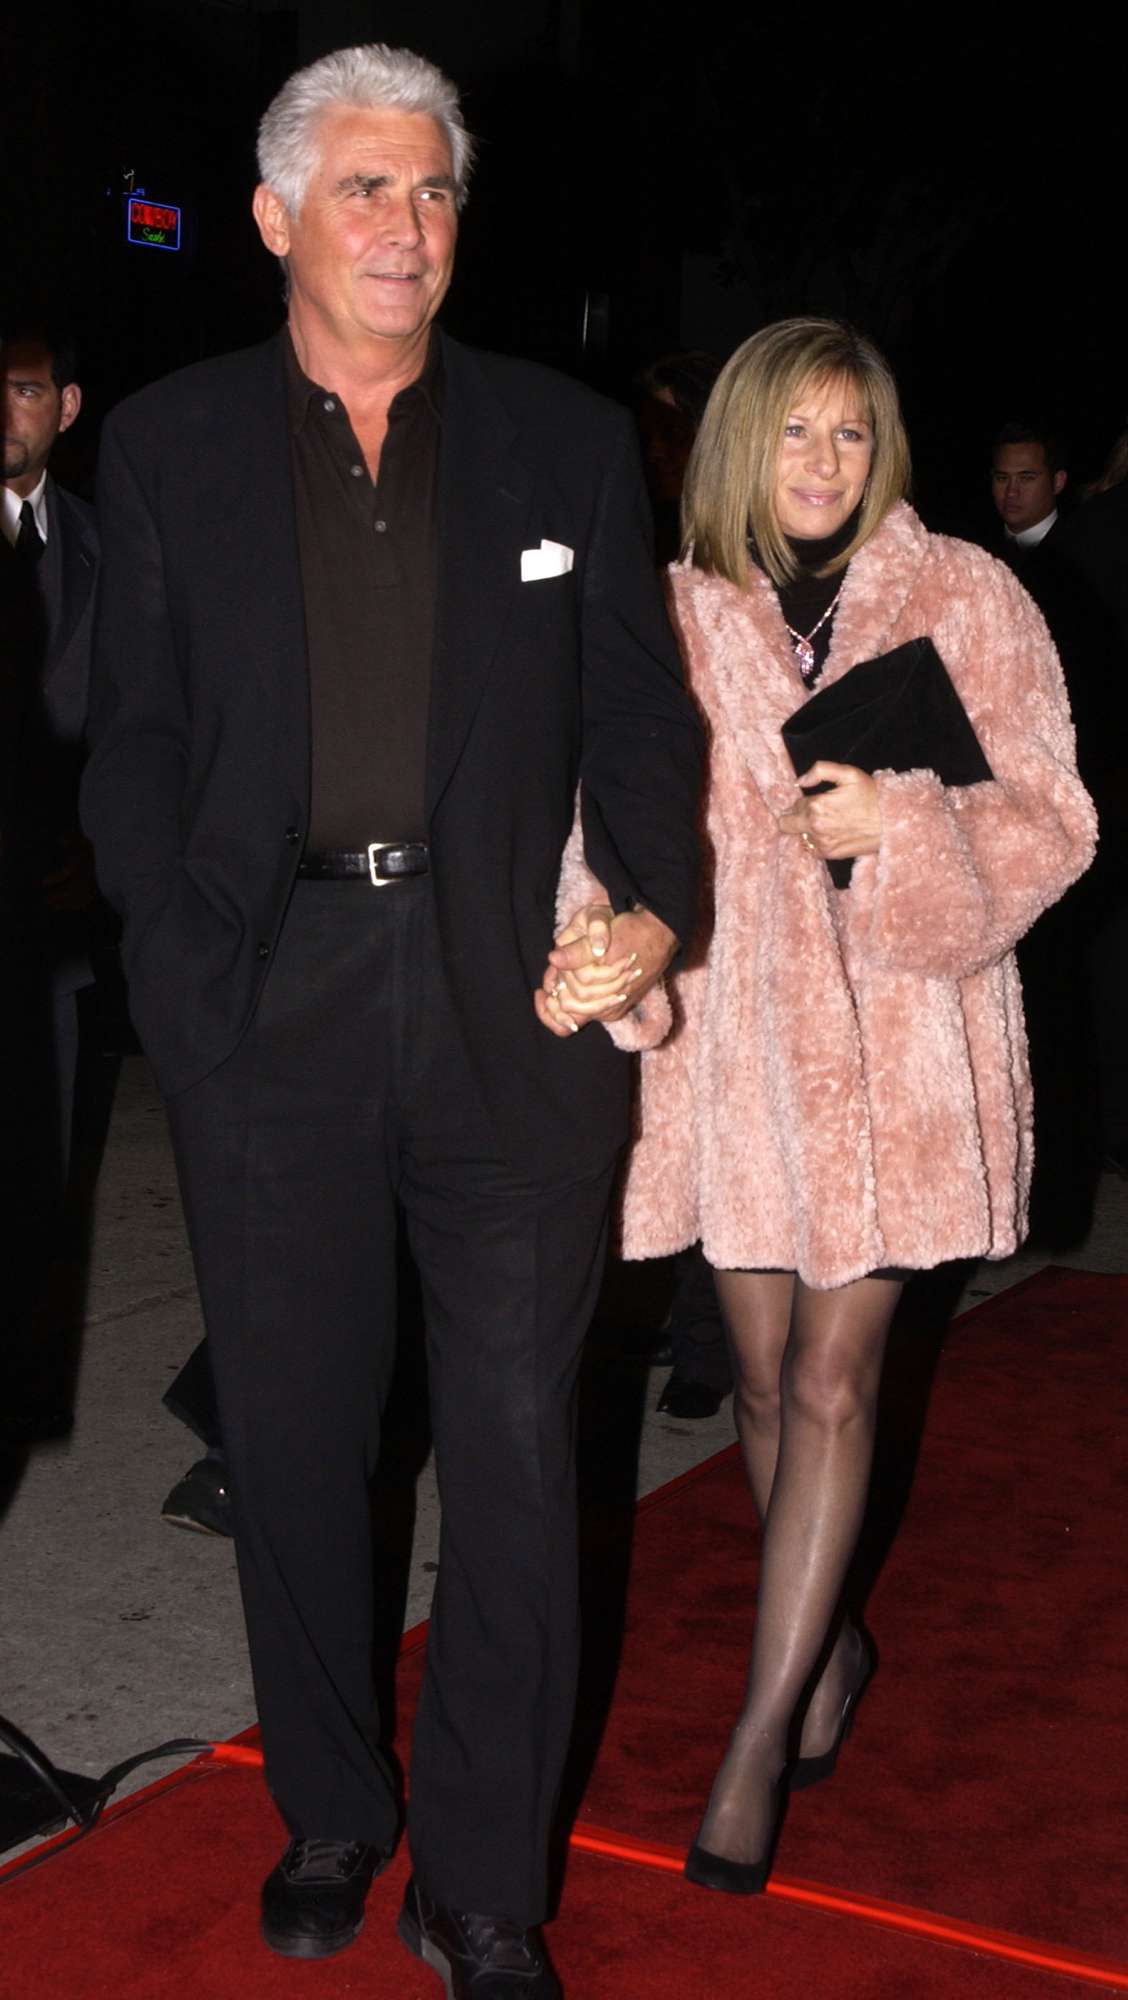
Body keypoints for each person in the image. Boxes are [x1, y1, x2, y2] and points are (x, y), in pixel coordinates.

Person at [80, 41, 700, 1997]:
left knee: (519, 1448)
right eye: (365, 188)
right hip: (276, 1009)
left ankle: (487, 1877)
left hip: (510, 1007)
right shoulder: (167, 448)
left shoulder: (561, 441)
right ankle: (335, 1805)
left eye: (433, 191)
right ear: (272, 217)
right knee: (298, 1433)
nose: (408, 227)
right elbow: (139, 751)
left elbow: (642, 718)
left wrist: (656, 903)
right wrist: (191, 996)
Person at [548, 317, 1095, 1895]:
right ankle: (834, 1648)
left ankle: (756, 1729)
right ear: (739, 446)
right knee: (771, 1384)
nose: (824, 463)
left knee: (843, 1386)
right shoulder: (666, 609)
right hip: (741, 1056)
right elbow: (610, 818)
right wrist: (603, 945)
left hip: (900, 1057)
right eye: (794, 433)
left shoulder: (966, 595)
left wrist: (903, 823)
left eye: (852, 435)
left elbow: (1054, 818)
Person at [1, 326, 100, 1439]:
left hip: (55, 935)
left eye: (23, 390)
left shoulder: (108, 546)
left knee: (37, 1198)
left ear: (63, 406)